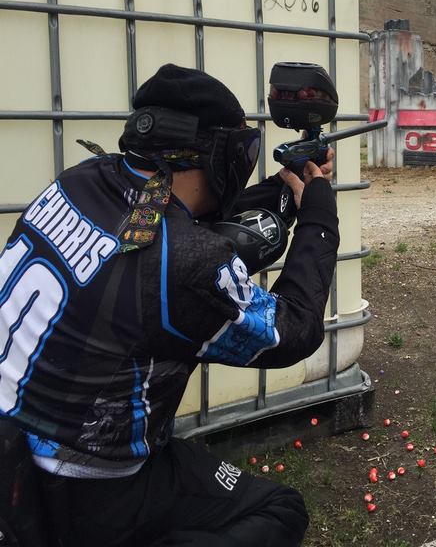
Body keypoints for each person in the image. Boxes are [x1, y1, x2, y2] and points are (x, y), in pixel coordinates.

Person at [0, 64, 338, 547]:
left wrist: (281, 190)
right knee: (280, 509)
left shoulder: (81, 181)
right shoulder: (185, 263)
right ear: (220, 155)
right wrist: (320, 216)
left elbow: (166, 240)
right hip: (92, 487)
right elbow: (294, 329)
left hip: (13, 452)